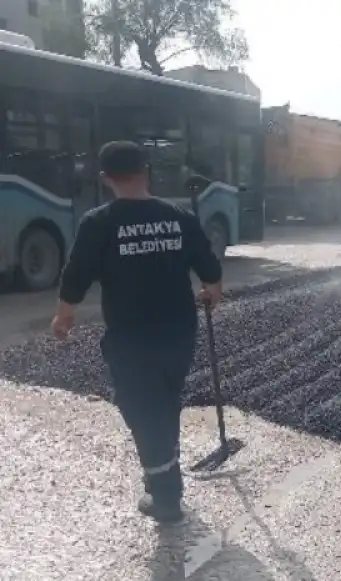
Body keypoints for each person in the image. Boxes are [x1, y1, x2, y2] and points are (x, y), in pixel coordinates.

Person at [51, 141, 223, 524]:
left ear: (104, 178)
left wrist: (64, 315)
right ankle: (163, 476)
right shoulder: (178, 217)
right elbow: (209, 268)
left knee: (144, 412)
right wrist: (211, 290)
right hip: (179, 331)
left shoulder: (99, 222)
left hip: (132, 337)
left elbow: (76, 274)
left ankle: (166, 498)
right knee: (163, 403)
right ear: (146, 172)